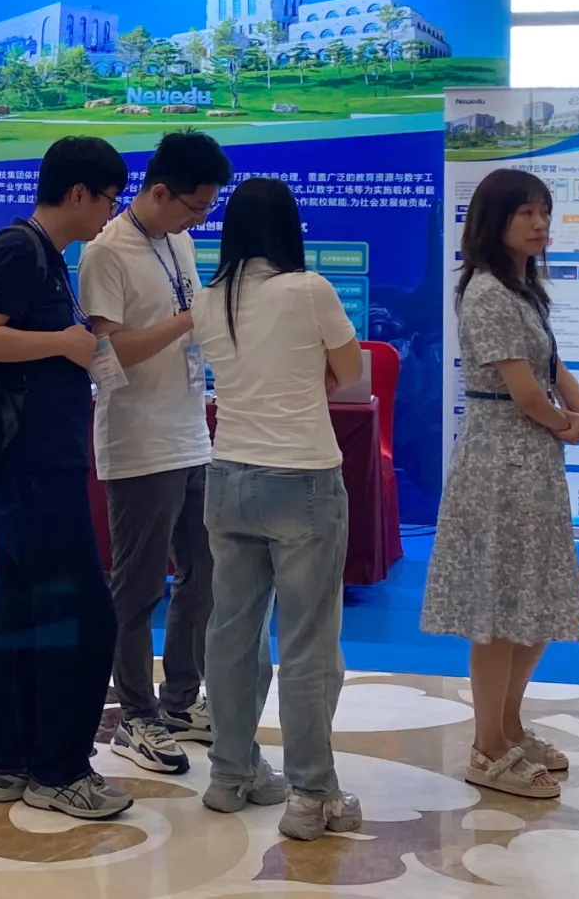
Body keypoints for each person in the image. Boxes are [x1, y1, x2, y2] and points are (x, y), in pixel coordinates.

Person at [0, 136, 132, 820]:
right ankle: (59, 770)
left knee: (22, 609)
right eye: (109, 198)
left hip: (37, 463)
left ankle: (15, 762)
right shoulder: (17, 249)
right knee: (81, 612)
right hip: (29, 466)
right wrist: (63, 342)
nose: (110, 213)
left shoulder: (47, 256)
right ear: (78, 193)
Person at [191, 178, 364, 840]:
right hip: (303, 480)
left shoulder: (208, 299)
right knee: (308, 643)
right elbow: (349, 373)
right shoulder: (309, 289)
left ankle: (229, 774)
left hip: (227, 476)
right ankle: (313, 794)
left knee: (231, 633)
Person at [421, 168, 579, 799]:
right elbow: (524, 392)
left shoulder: (523, 289)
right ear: (495, 222)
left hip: (533, 461)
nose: (541, 224)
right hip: (500, 462)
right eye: (527, 213)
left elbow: (549, 364)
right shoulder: (488, 290)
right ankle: (487, 746)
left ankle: (510, 727)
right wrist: (567, 422)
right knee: (497, 608)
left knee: (536, 600)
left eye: (544, 211)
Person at [78, 130, 232, 774]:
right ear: (161, 191)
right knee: (138, 589)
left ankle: (180, 701)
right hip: (138, 441)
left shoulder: (178, 241)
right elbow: (110, 351)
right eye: (195, 206)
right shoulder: (105, 252)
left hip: (192, 431)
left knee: (206, 575)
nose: (200, 219)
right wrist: (191, 318)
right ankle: (135, 717)